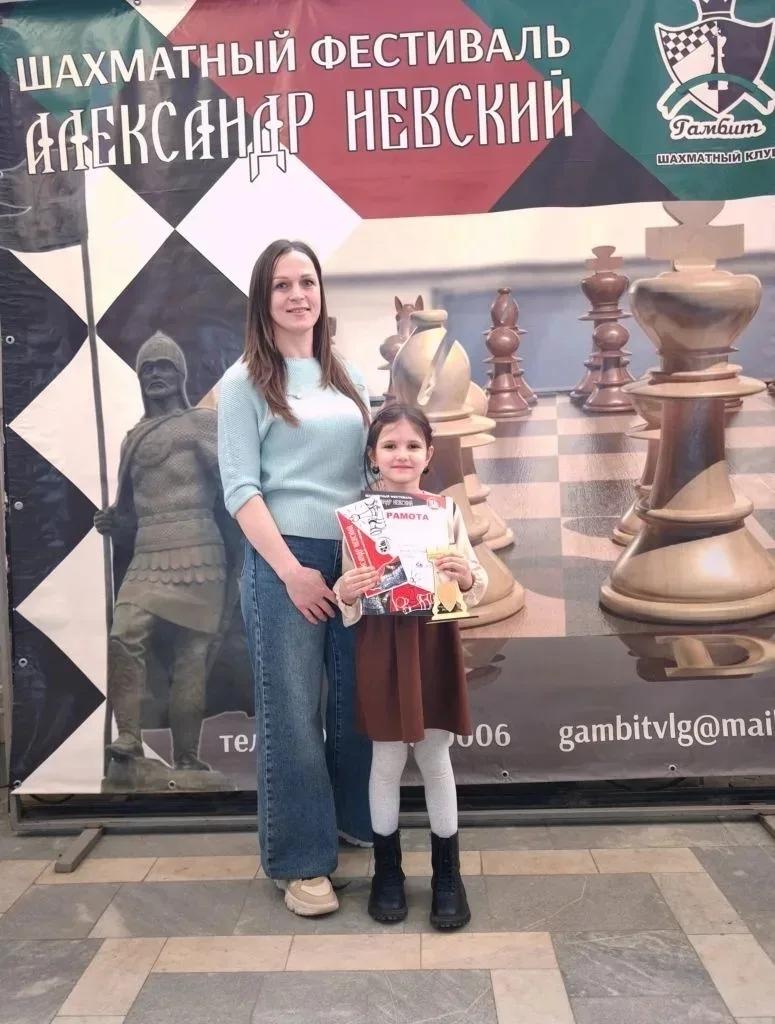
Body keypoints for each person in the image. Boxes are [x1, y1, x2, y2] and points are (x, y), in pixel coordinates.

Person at [217, 239, 372, 918]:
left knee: (355, 706)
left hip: (355, 558)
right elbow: (240, 490)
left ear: (320, 292)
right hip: (286, 559)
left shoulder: (347, 377)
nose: (297, 295)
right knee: (292, 715)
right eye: (282, 285)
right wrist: (291, 572)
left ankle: (347, 821)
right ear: (263, 299)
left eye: (306, 281)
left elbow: (369, 469)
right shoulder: (244, 383)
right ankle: (300, 861)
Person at [334, 404, 487, 930]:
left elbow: (475, 580)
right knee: (386, 760)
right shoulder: (357, 517)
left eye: (413, 446)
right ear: (373, 455)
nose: (402, 455)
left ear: (429, 454)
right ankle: (388, 873)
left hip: (433, 640)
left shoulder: (445, 511)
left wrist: (465, 576)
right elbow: (349, 594)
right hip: (382, 644)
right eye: (390, 445)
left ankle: (448, 876)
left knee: (435, 756)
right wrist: (345, 590)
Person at [95, 331, 231, 772]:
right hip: (148, 552)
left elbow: (233, 489)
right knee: (124, 635)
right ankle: (129, 738)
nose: (155, 374)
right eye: (147, 368)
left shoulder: (202, 424)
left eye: (164, 366)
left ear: (180, 373)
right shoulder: (133, 437)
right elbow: (131, 513)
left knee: (192, 658)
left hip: (199, 550)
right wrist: (116, 524)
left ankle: (187, 757)